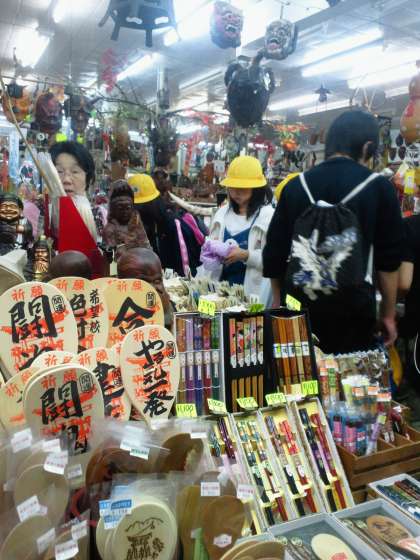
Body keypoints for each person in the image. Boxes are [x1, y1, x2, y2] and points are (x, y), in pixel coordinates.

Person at [263, 110, 404, 354]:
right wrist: (388, 315)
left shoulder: (295, 186)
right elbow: (388, 263)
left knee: (297, 373)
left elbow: (274, 252)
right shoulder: (380, 188)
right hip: (354, 316)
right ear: (367, 147)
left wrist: (277, 299)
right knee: (349, 375)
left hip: (298, 312)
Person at [207, 155, 274, 301]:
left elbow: (274, 261)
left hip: (251, 297)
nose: (236, 192)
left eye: (242, 188)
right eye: (232, 187)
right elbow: (210, 247)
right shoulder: (221, 214)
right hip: (219, 296)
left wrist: (246, 255)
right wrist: (209, 253)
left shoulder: (268, 218)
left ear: (256, 188)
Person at [129, 173, 206, 276]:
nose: (135, 212)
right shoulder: (140, 226)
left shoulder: (173, 225)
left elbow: (185, 268)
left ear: (151, 204)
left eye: (139, 207)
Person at [117, 247, 174, 330]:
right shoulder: (115, 311)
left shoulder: (166, 304)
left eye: (157, 281)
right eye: (144, 282)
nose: (152, 289)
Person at [103, 180, 150, 259]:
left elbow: (146, 245)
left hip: (141, 261)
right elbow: (110, 256)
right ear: (113, 210)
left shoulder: (136, 224)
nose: (125, 212)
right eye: (120, 208)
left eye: (128, 208)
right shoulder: (110, 230)